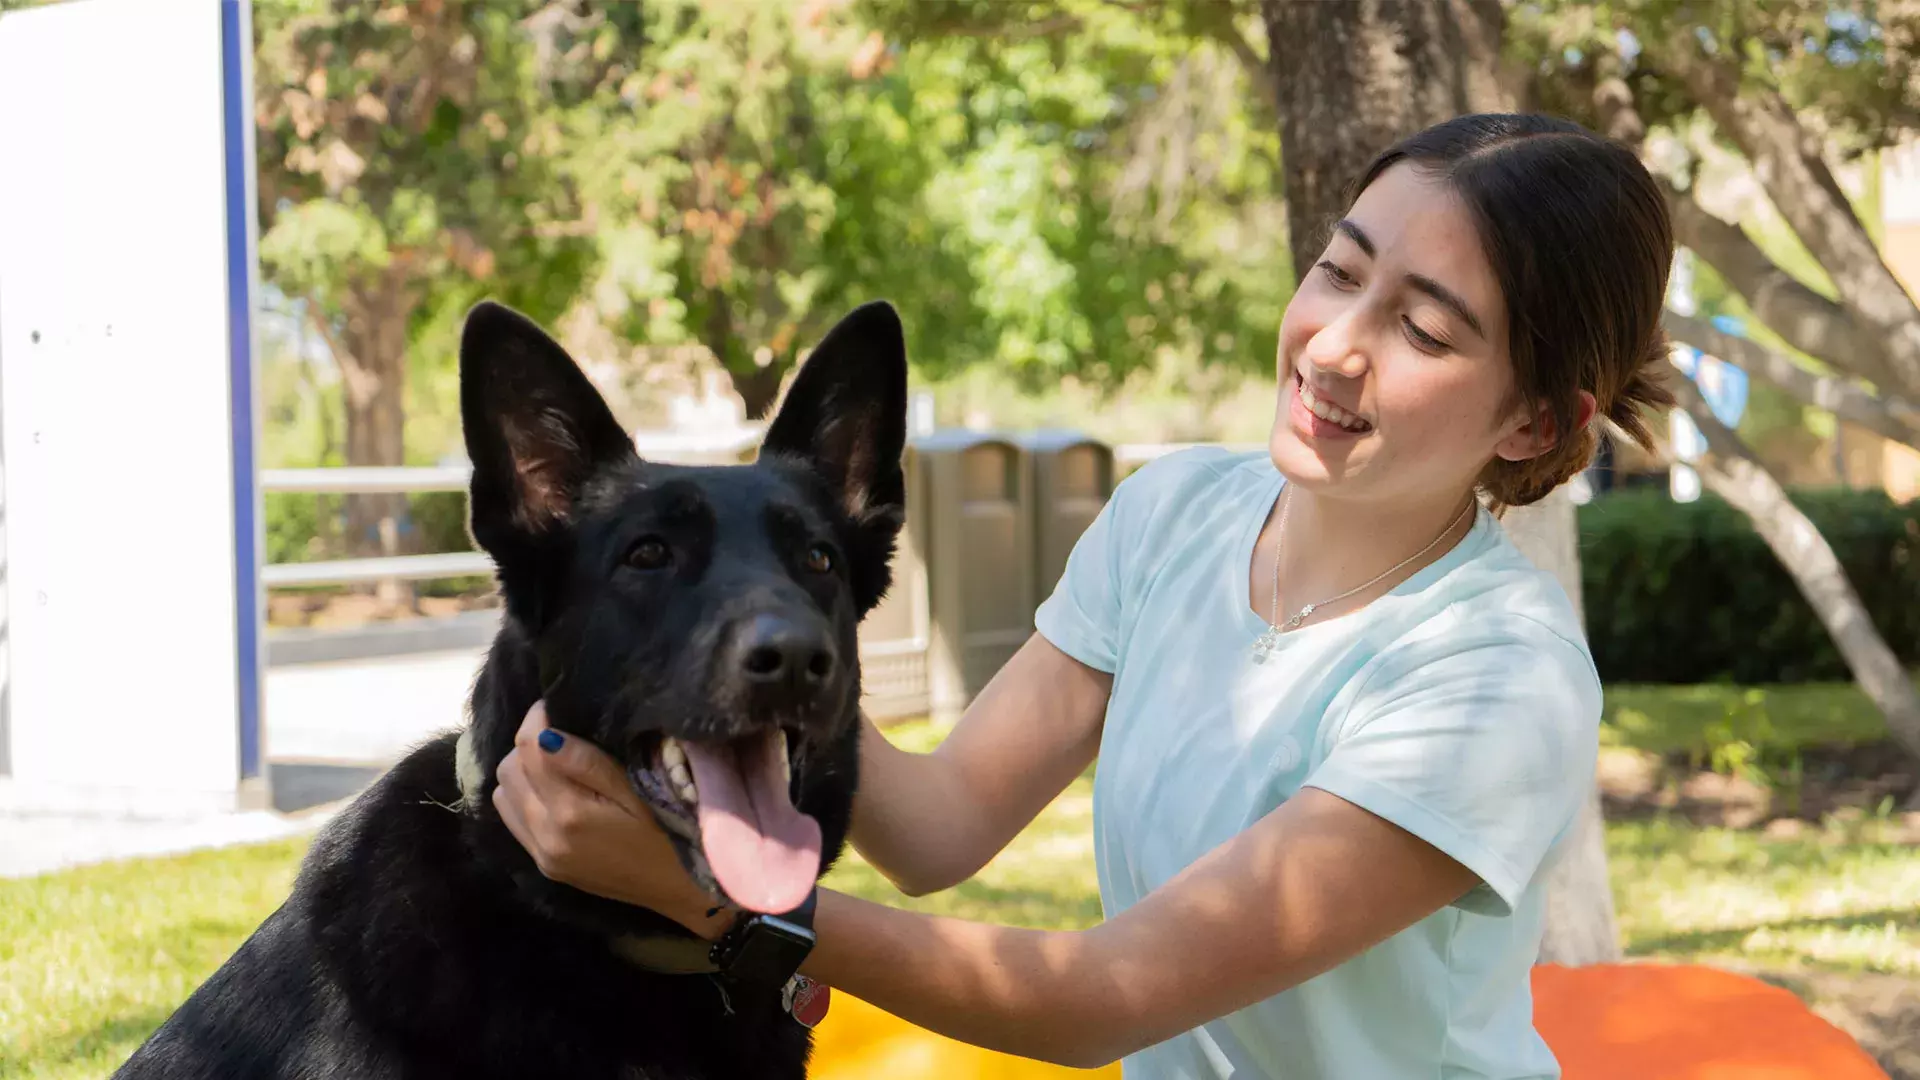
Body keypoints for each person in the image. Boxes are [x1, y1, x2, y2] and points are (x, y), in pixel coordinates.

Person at [490, 112, 1677, 1079]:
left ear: (1533, 420)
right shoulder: (1177, 516)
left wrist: (715, 910)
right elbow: (941, 825)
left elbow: (1102, 1001)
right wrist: (728, 638)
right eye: (1338, 271)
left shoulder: (1496, 678)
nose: (1333, 348)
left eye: (1420, 328)